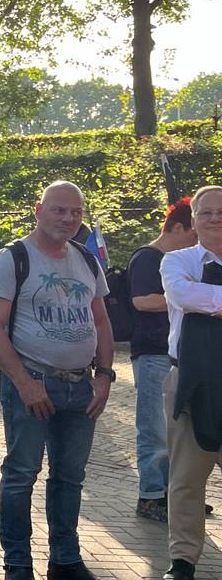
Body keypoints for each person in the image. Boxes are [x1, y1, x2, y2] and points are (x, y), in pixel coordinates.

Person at [0, 181, 113, 580]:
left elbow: (102, 321)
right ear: (39, 209)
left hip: (81, 387)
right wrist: (24, 382)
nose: (69, 219)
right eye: (59, 210)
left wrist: (104, 376)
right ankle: (17, 562)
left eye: (76, 212)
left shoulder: (87, 259)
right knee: (21, 474)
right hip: (32, 383)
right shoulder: (10, 259)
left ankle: (65, 559)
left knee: (70, 477)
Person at [160, 185, 222, 580]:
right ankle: (183, 560)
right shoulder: (176, 260)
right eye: (207, 212)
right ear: (193, 220)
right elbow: (186, 296)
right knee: (185, 477)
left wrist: (209, 298)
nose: (215, 218)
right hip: (189, 380)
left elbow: (204, 298)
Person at [127, 198, 196, 522]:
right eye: (192, 235)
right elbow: (142, 300)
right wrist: (187, 295)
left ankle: (175, 495)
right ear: (178, 227)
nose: (194, 244)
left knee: (178, 430)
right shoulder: (147, 257)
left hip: (174, 355)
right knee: (154, 429)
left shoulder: (178, 261)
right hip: (153, 354)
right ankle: (151, 496)